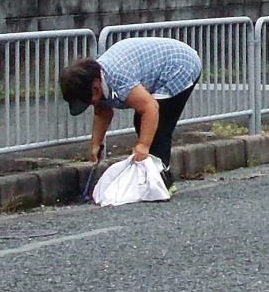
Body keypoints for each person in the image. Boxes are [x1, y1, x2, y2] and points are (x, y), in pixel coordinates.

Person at [59, 37, 201, 191]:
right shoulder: (98, 81)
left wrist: (143, 145)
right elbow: (103, 112)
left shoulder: (118, 78)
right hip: (157, 66)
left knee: (157, 126)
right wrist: (96, 143)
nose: (91, 104)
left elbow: (150, 108)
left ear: (95, 87)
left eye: (88, 100)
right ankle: (151, 177)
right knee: (144, 123)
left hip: (180, 66)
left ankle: (162, 181)